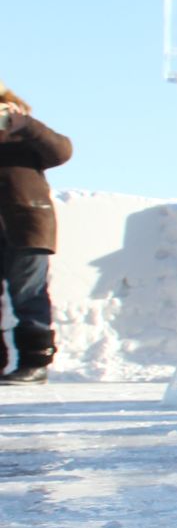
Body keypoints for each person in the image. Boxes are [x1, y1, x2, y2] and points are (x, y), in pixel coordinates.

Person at [0, 85, 71, 384]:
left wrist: (27, 125)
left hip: (27, 224)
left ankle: (35, 361)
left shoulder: (26, 132)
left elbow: (62, 151)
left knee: (28, 293)